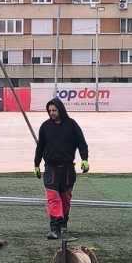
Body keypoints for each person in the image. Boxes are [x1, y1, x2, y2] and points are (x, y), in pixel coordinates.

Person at [34, 96, 90, 240]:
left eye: (54, 110)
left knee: (65, 199)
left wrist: (84, 159)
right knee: (53, 197)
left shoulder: (72, 125)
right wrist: (36, 164)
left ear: (61, 110)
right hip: (51, 168)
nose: (51, 113)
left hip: (67, 169)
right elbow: (40, 147)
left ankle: (63, 223)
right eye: (49, 110)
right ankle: (54, 228)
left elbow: (81, 143)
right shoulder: (45, 126)